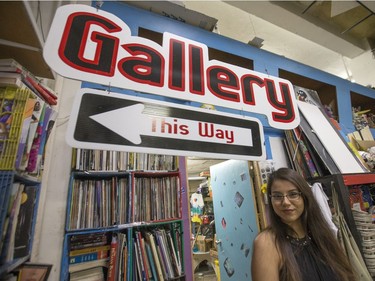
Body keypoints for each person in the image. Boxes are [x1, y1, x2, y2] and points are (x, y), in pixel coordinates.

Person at [251, 167, 355, 281]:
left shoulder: (321, 234)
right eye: (277, 196)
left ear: (305, 197)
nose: (285, 202)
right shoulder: (267, 242)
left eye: (293, 194)